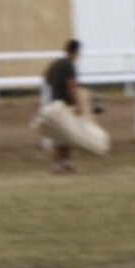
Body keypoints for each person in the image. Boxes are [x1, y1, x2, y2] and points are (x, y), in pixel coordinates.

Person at [43, 39, 82, 174]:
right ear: (75, 52)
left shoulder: (56, 63)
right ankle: (63, 163)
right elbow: (71, 85)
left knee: (59, 136)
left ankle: (61, 164)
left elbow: (46, 76)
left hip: (54, 102)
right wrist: (77, 104)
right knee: (67, 136)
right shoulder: (69, 66)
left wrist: (55, 86)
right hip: (65, 104)